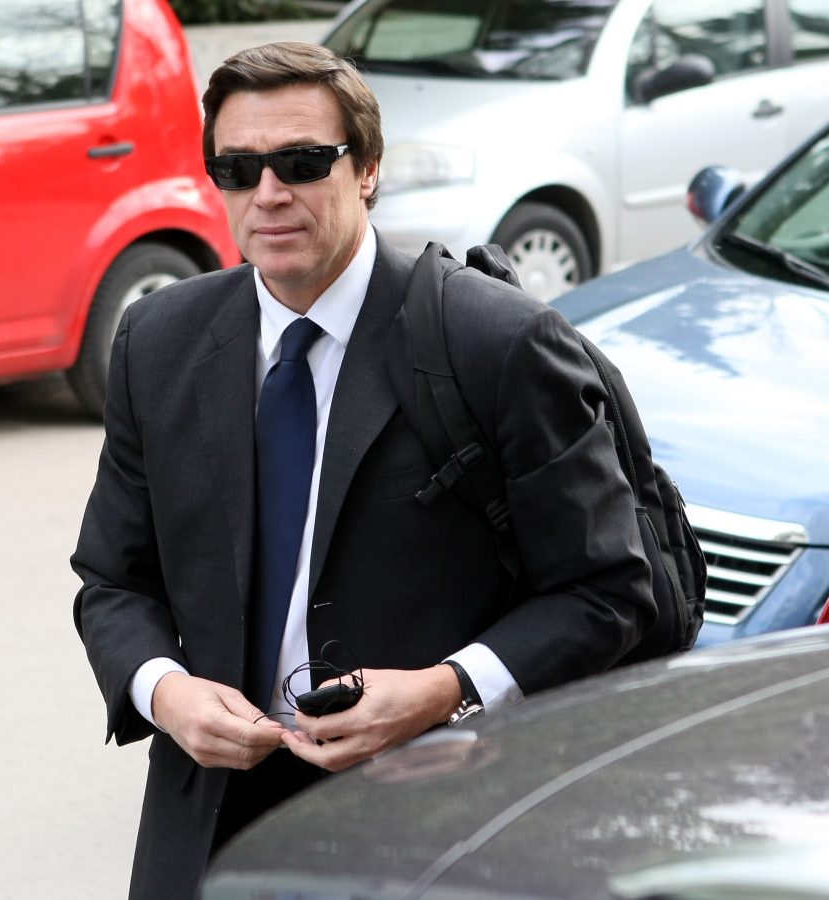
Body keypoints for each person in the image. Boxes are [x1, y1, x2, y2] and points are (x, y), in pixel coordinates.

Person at [72, 41, 654, 900]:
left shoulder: (497, 342)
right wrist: (165, 692)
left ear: (369, 169)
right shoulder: (157, 341)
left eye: (303, 162)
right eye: (238, 169)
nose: (269, 193)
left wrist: (445, 692)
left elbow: (608, 592)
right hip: (209, 822)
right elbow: (113, 581)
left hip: (438, 823)